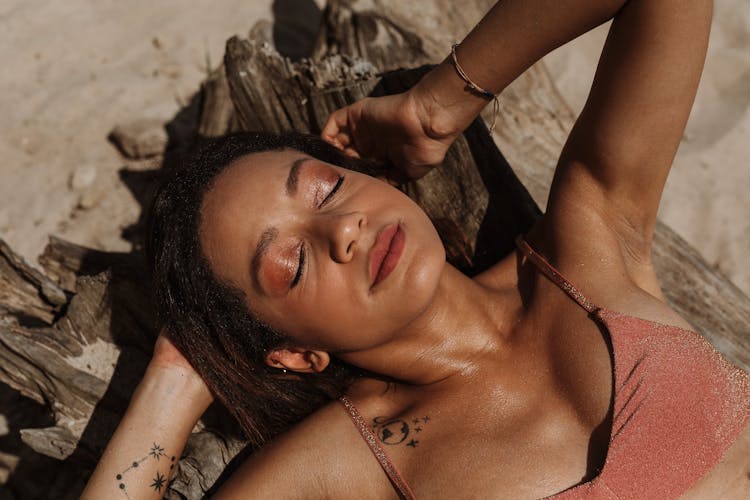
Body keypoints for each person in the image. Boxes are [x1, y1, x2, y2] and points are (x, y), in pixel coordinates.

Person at [82, 0, 750, 498]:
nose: (343, 230)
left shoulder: (587, 243)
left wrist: (440, 103)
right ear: (292, 352)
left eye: (323, 190)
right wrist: (180, 374)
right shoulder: (342, 463)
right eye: (294, 264)